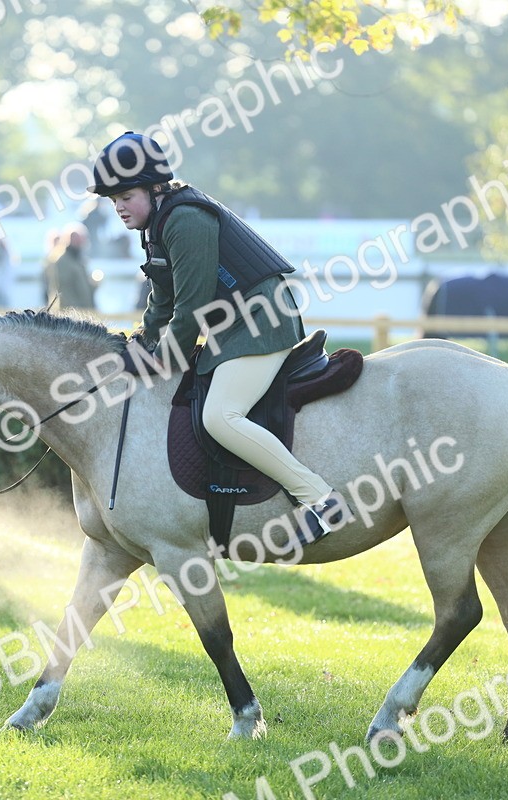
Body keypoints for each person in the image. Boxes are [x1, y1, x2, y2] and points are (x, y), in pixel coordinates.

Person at [89, 131, 351, 542]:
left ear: (156, 189)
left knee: (220, 416)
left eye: (125, 195)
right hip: (234, 325)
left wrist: (162, 357)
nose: (118, 207)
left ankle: (320, 500)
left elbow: (189, 310)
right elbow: (163, 299)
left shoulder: (185, 220)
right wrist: (142, 342)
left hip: (262, 322)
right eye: (112, 199)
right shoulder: (157, 224)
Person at [44, 223, 99, 311]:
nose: (81, 242)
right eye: (77, 238)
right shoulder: (61, 261)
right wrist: (75, 314)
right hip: (69, 316)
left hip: (82, 313)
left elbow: (84, 289)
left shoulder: (79, 260)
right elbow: (63, 292)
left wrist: (95, 284)